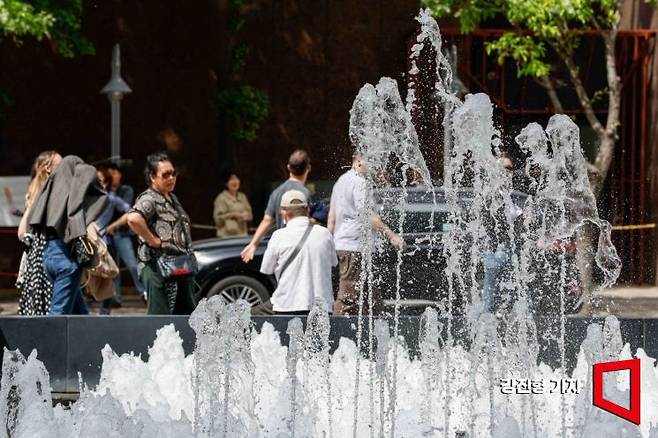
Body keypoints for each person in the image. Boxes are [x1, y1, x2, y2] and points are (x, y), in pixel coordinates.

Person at [27, 155, 108, 315]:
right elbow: (89, 197)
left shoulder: (50, 193)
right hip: (66, 261)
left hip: (49, 256)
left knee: (80, 314)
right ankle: (49, 341)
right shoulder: (72, 197)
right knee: (58, 316)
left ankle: (85, 339)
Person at [328, 153, 403, 315]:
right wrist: (391, 235)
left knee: (371, 297)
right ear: (359, 160)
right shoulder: (360, 183)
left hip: (346, 246)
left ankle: (379, 331)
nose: (375, 166)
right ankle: (336, 332)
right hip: (354, 248)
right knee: (348, 298)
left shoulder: (341, 181)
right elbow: (367, 215)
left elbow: (332, 217)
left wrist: (331, 243)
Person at [127, 152, 196, 315]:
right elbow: (133, 218)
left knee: (186, 316)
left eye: (173, 173)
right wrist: (152, 240)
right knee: (160, 319)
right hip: (157, 266)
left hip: (179, 266)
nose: (171, 178)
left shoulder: (171, 197)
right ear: (152, 177)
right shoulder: (149, 198)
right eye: (165, 175)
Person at [260, 190, 337, 314]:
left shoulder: (278, 236)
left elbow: (267, 269)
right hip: (322, 308)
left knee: (252, 315)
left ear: (283, 212)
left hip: (287, 306)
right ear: (307, 210)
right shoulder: (324, 233)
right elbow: (334, 263)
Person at [241, 149, 312, 263]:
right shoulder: (304, 193)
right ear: (308, 168)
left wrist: (253, 244)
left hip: (283, 249)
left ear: (288, 167)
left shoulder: (277, 192)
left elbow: (267, 221)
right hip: (301, 249)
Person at [15, 151, 62, 315]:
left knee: (38, 302)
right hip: (49, 250)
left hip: (36, 256)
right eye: (59, 164)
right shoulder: (51, 191)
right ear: (47, 168)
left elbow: (21, 233)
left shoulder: (34, 191)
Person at [105, 161, 147, 303]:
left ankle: (144, 292)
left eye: (114, 173)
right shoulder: (104, 191)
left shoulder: (126, 190)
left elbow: (127, 212)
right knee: (112, 268)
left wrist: (112, 226)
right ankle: (115, 297)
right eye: (109, 174)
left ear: (120, 175)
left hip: (121, 233)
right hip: (106, 235)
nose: (112, 176)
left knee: (132, 264)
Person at [94, 166, 131, 314]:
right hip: (86, 241)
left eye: (102, 181)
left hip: (104, 242)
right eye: (96, 181)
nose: (98, 184)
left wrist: (113, 225)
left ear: (107, 183)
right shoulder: (85, 197)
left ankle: (105, 309)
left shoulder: (111, 198)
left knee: (107, 275)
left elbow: (129, 210)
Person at [213, 170, 253, 238]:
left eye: (236, 179)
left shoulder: (242, 197)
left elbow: (250, 216)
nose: (234, 181)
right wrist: (232, 215)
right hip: (226, 236)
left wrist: (246, 216)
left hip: (243, 235)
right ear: (226, 183)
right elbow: (217, 220)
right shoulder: (221, 198)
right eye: (231, 179)